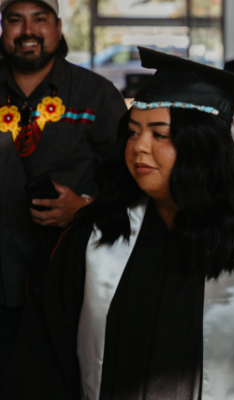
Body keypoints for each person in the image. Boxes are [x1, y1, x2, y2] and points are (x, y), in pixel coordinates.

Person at [4, 47, 234, 400]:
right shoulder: (97, 235)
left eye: (160, 134)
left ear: (202, 144)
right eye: (133, 132)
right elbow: (42, 358)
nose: (139, 148)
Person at [0, 0, 126, 392]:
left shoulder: (95, 95)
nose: (28, 31)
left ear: (57, 26)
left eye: (40, 19)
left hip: (64, 283)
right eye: (15, 20)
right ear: (3, 28)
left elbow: (130, 180)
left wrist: (84, 207)